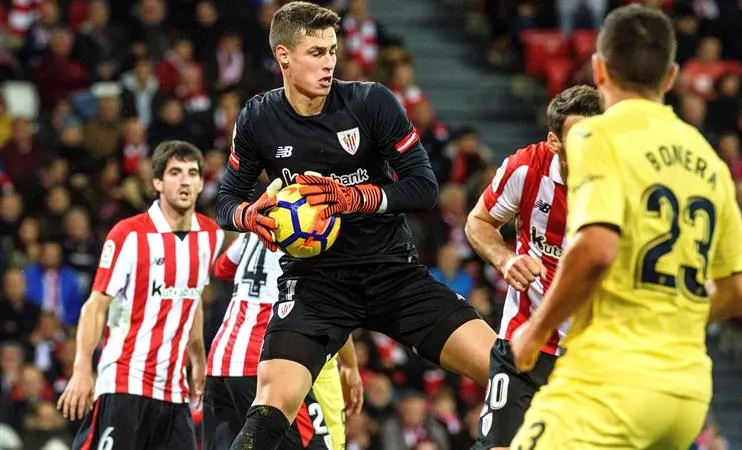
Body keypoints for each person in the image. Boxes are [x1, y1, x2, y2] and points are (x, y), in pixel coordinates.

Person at [215, 2, 497, 448]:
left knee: (504, 369)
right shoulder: (258, 118)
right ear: (283, 56)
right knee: (269, 404)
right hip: (315, 285)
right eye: (315, 52)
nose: (328, 63)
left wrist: (355, 198)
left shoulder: (371, 102)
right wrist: (246, 217)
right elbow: (225, 199)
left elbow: (425, 187)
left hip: (392, 273)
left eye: (332, 51)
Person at [509, 5, 742, 449]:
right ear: (670, 76)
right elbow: (741, 290)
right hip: (686, 393)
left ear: (599, 69)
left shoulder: (596, 136)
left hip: (612, 381)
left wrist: (536, 329)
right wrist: (671, 316)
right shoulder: (709, 161)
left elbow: (596, 248)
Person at [57, 140, 224, 450]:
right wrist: (82, 369)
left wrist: (198, 357)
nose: (185, 180)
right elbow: (95, 305)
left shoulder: (210, 235)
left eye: (192, 173)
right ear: (157, 182)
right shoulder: (129, 234)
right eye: (175, 172)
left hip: (174, 391)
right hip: (125, 381)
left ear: (202, 182)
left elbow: (193, 296)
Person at [465, 85, 602, 450]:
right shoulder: (527, 169)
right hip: (524, 343)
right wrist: (506, 259)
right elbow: (478, 222)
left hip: (594, 354)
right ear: (554, 142)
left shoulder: (624, 181)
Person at [204, 231, 362, 450]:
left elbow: (222, 267)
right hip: (269, 365)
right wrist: (351, 365)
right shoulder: (314, 231)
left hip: (221, 362)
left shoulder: (257, 223)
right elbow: (330, 306)